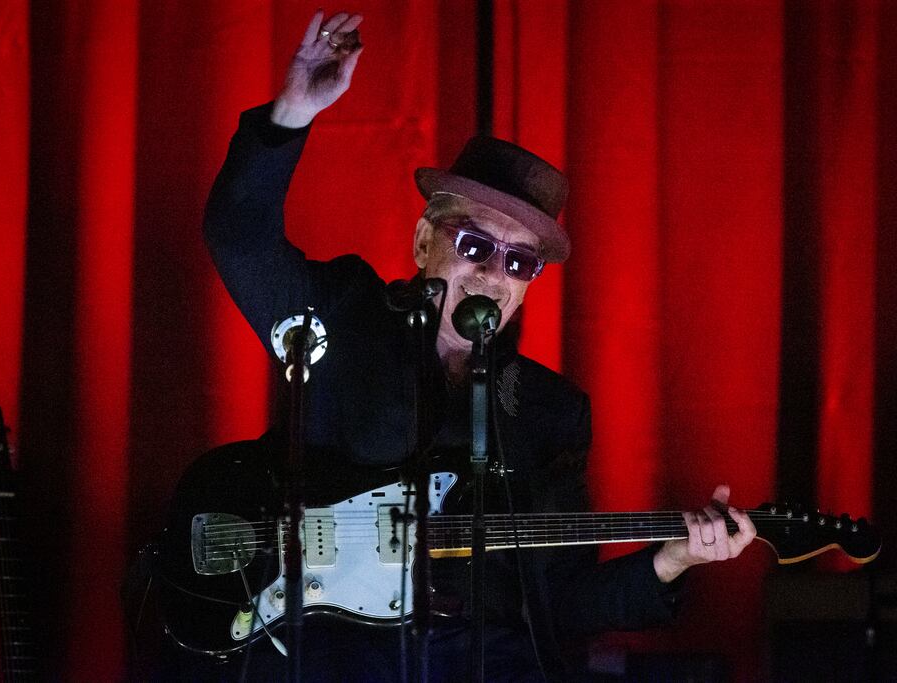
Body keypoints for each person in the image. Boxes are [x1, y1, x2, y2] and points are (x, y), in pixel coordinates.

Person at [163, 8, 756, 681]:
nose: (493, 274)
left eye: (519, 262)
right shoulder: (344, 316)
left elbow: (560, 599)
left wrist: (672, 559)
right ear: (423, 243)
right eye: (475, 245)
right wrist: (291, 113)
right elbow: (238, 236)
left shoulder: (548, 411)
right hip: (330, 649)